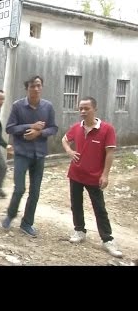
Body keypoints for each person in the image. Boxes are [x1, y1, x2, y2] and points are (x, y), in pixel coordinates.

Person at [61, 96, 123, 258]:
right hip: (75, 173)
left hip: (94, 177)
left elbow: (110, 153)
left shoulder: (107, 129)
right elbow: (64, 139)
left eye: (86, 108)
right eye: (80, 108)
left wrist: (105, 174)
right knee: (76, 204)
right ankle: (79, 230)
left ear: (94, 109)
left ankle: (107, 239)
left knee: (99, 208)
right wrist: (69, 151)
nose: (82, 111)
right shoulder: (76, 127)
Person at [1, 75, 58, 237]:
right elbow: (10, 128)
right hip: (22, 154)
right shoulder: (18, 106)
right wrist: (30, 126)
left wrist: (39, 133)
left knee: (35, 191)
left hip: (39, 154)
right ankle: (10, 216)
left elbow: (53, 128)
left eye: (39, 85)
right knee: (19, 188)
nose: (36, 89)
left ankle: (27, 223)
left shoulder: (47, 107)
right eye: (33, 86)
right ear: (27, 88)